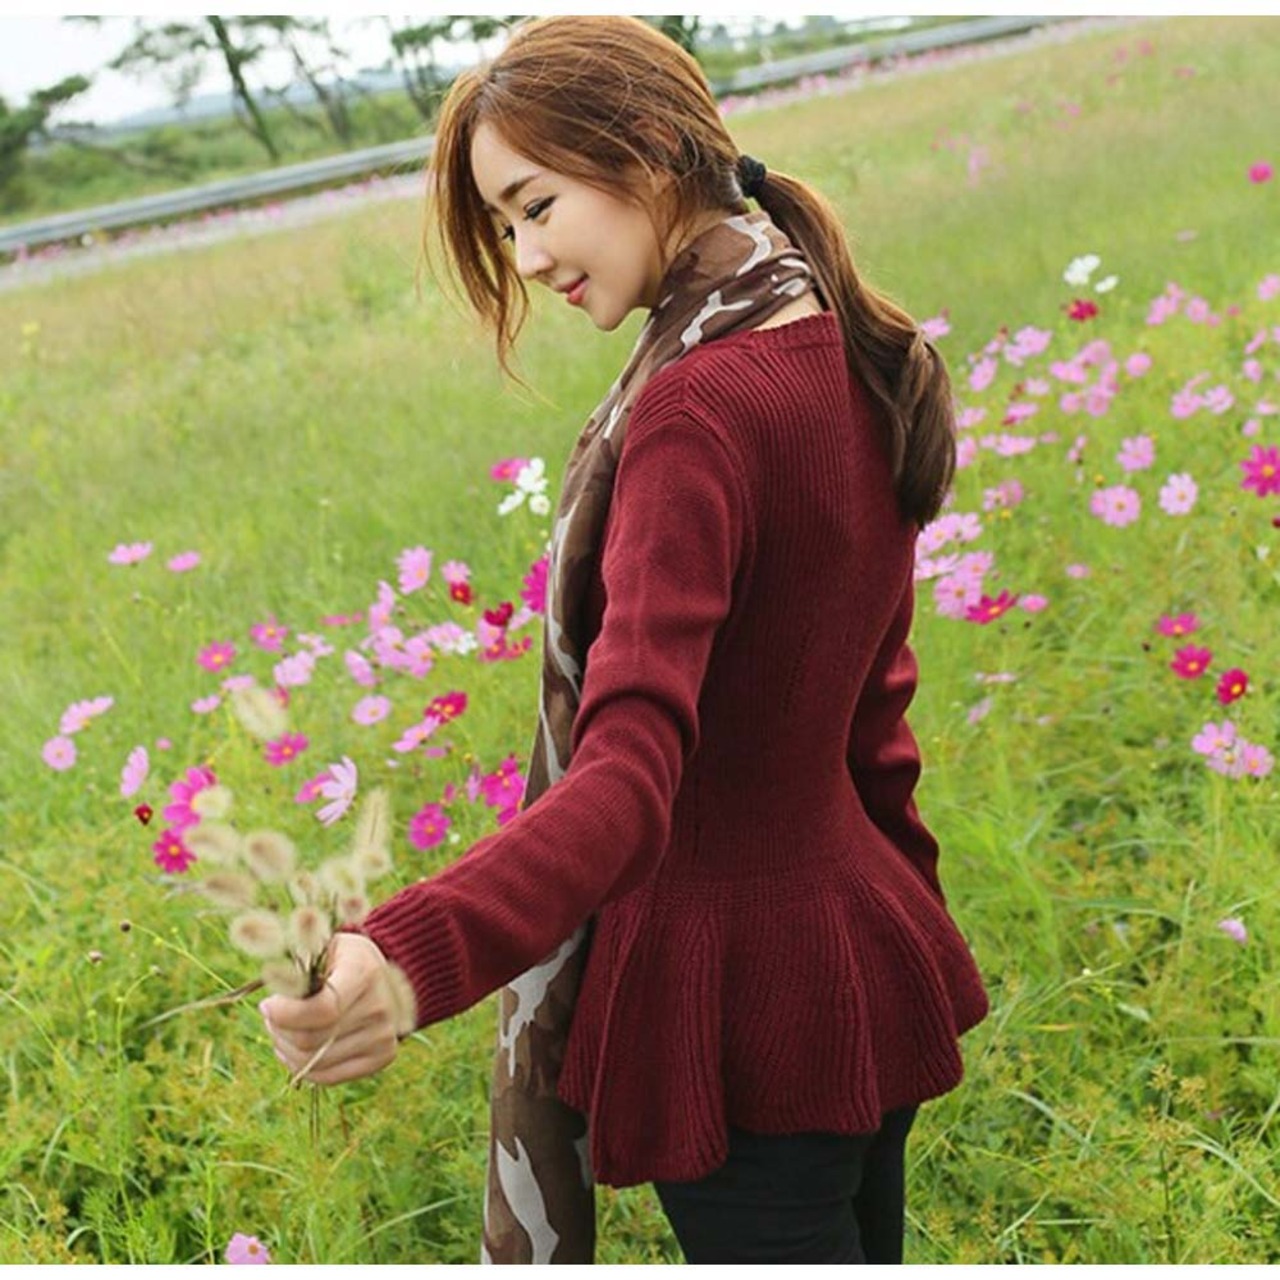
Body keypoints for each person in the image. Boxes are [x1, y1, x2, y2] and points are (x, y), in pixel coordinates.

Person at [259, 14, 990, 1266]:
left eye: (537, 205)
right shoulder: (843, 339)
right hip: (863, 954)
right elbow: (876, 715)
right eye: (505, 227)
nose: (529, 256)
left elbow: (627, 776)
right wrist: (898, 930)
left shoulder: (693, 413)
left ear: (649, 148)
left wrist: (407, 952)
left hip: (739, 1005)